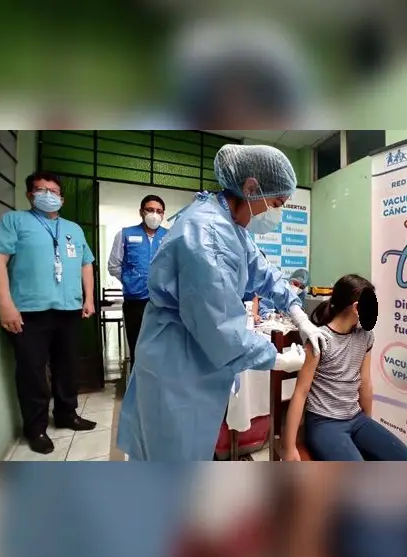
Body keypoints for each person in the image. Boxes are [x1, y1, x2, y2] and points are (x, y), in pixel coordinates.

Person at [116, 144, 330, 461]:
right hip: (177, 366)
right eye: (276, 203)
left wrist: (301, 317)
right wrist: (280, 360)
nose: (278, 213)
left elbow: (265, 273)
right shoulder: (208, 232)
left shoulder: (229, 226)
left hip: (188, 359)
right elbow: (218, 329)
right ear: (251, 187)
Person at [0, 172, 98, 454]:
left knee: (68, 367)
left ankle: (67, 414)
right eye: (41, 190)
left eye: (54, 191)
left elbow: (86, 264)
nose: (48, 195)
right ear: (30, 195)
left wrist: (89, 298)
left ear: (61, 198)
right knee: (32, 372)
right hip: (28, 311)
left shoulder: (73, 228)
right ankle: (36, 428)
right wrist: (5, 304)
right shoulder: (14, 222)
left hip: (69, 309)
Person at [281, 275, 407, 461]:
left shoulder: (366, 336)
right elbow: (301, 392)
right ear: (356, 308)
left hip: (356, 419)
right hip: (324, 423)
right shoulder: (319, 339)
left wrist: (368, 428)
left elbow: (365, 384)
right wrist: (289, 448)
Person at [107, 195, 169, 370]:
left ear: (163, 214)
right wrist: (131, 280)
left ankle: (160, 392)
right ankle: (138, 393)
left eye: (159, 211)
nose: (154, 214)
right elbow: (114, 266)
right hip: (135, 302)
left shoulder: (170, 237)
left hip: (162, 303)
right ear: (141, 212)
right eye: (150, 210)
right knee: (138, 348)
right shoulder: (125, 234)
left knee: (162, 349)